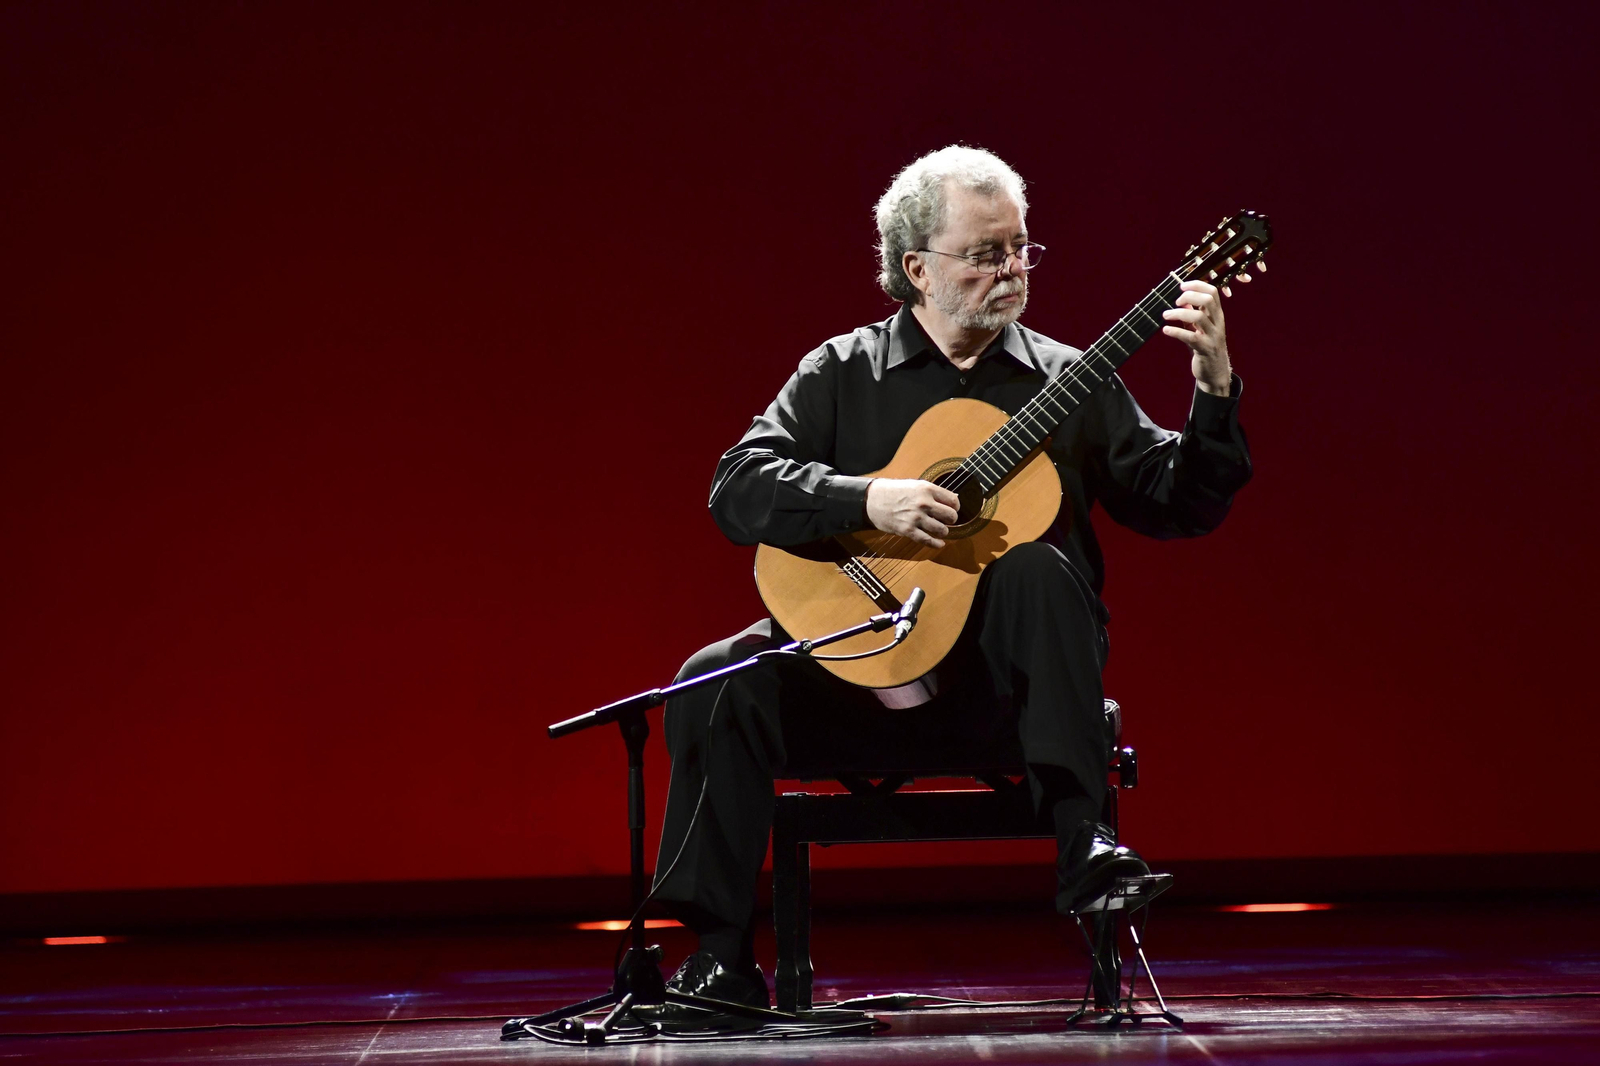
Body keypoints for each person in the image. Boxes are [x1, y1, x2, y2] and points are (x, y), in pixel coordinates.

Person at [635, 146, 1254, 1020]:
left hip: (1006, 695)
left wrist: (1214, 389)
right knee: (713, 677)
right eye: (986, 252)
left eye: (1021, 249)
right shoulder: (841, 371)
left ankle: (1086, 845)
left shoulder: (1067, 379)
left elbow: (1182, 503)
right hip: (859, 683)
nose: (1011, 271)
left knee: (1037, 565)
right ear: (916, 268)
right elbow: (736, 487)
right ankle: (722, 962)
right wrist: (869, 499)